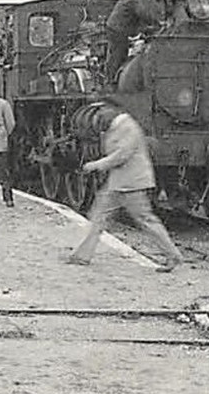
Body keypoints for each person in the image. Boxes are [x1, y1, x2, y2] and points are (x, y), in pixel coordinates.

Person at [62, 99, 184, 271]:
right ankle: (82, 256)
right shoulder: (117, 126)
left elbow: (121, 155)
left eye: (101, 119)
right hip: (119, 183)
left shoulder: (128, 127)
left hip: (132, 184)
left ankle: (174, 256)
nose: (100, 123)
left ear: (110, 115)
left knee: (145, 219)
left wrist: (96, 165)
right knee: (98, 216)